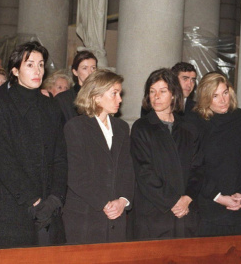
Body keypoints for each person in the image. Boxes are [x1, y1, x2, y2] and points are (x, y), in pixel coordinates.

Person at [0, 41, 67, 249]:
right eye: (30, 65)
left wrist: (55, 199)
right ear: (15, 70)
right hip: (13, 205)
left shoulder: (51, 106)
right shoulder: (0, 106)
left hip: (49, 206)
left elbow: (60, 157)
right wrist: (34, 200)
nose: (37, 70)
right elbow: (4, 161)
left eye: (41, 65)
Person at [186, 72, 241, 237]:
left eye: (225, 92)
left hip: (237, 208)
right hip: (205, 208)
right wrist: (218, 197)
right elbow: (191, 167)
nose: (223, 100)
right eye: (215, 96)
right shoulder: (193, 122)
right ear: (205, 97)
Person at [63, 69, 134, 244]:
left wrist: (122, 201)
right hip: (85, 216)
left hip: (116, 216)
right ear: (96, 96)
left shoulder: (122, 127)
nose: (120, 99)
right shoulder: (75, 127)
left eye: (120, 93)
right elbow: (76, 175)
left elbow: (127, 169)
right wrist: (105, 203)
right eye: (114, 93)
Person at [130, 68, 203, 240]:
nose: (156, 97)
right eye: (152, 92)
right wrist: (173, 201)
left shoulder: (188, 129)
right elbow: (144, 171)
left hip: (185, 212)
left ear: (173, 94)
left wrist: (186, 199)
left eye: (162, 91)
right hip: (154, 212)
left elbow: (198, 168)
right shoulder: (142, 127)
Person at [56, 50, 97, 123]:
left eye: (93, 68)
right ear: (75, 72)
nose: (90, 72)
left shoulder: (101, 96)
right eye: (85, 68)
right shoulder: (63, 99)